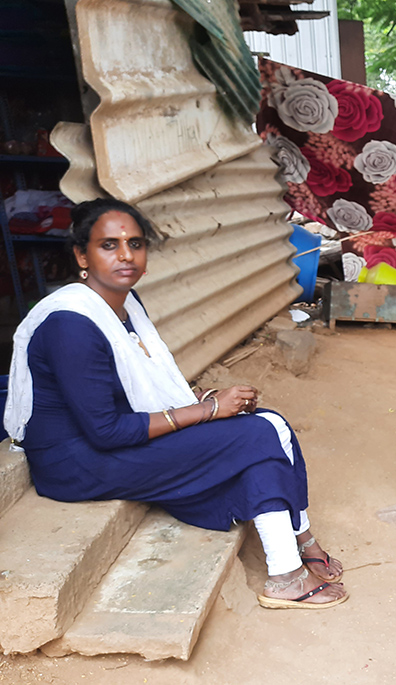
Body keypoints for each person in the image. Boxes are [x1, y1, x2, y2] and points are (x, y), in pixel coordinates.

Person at [4, 198, 347, 610]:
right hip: (76, 462)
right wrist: (206, 411)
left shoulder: (126, 305)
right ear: (82, 255)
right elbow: (106, 431)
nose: (126, 255)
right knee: (256, 434)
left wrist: (203, 400)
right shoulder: (70, 324)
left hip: (112, 440)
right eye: (108, 245)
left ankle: (293, 555)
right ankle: (291, 562)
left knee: (265, 424)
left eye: (135, 243)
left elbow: (139, 385)